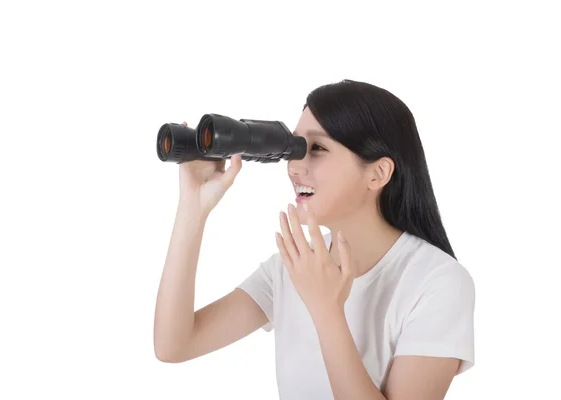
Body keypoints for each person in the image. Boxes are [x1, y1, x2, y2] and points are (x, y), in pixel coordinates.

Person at [153, 79, 475, 400]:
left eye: (317, 149)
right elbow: (175, 344)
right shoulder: (292, 266)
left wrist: (327, 311)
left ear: (378, 173)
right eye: (294, 148)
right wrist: (191, 209)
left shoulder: (438, 283)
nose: (294, 167)